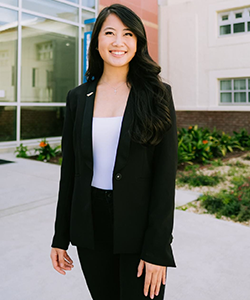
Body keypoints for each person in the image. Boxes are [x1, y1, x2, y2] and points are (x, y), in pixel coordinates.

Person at [50, 4, 177, 300]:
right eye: (109, 33)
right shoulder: (78, 98)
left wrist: (158, 247)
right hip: (90, 226)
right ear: (97, 41)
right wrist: (60, 237)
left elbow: (165, 175)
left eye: (128, 34)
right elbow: (69, 172)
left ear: (137, 43)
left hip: (139, 227)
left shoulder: (157, 95)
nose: (118, 42)